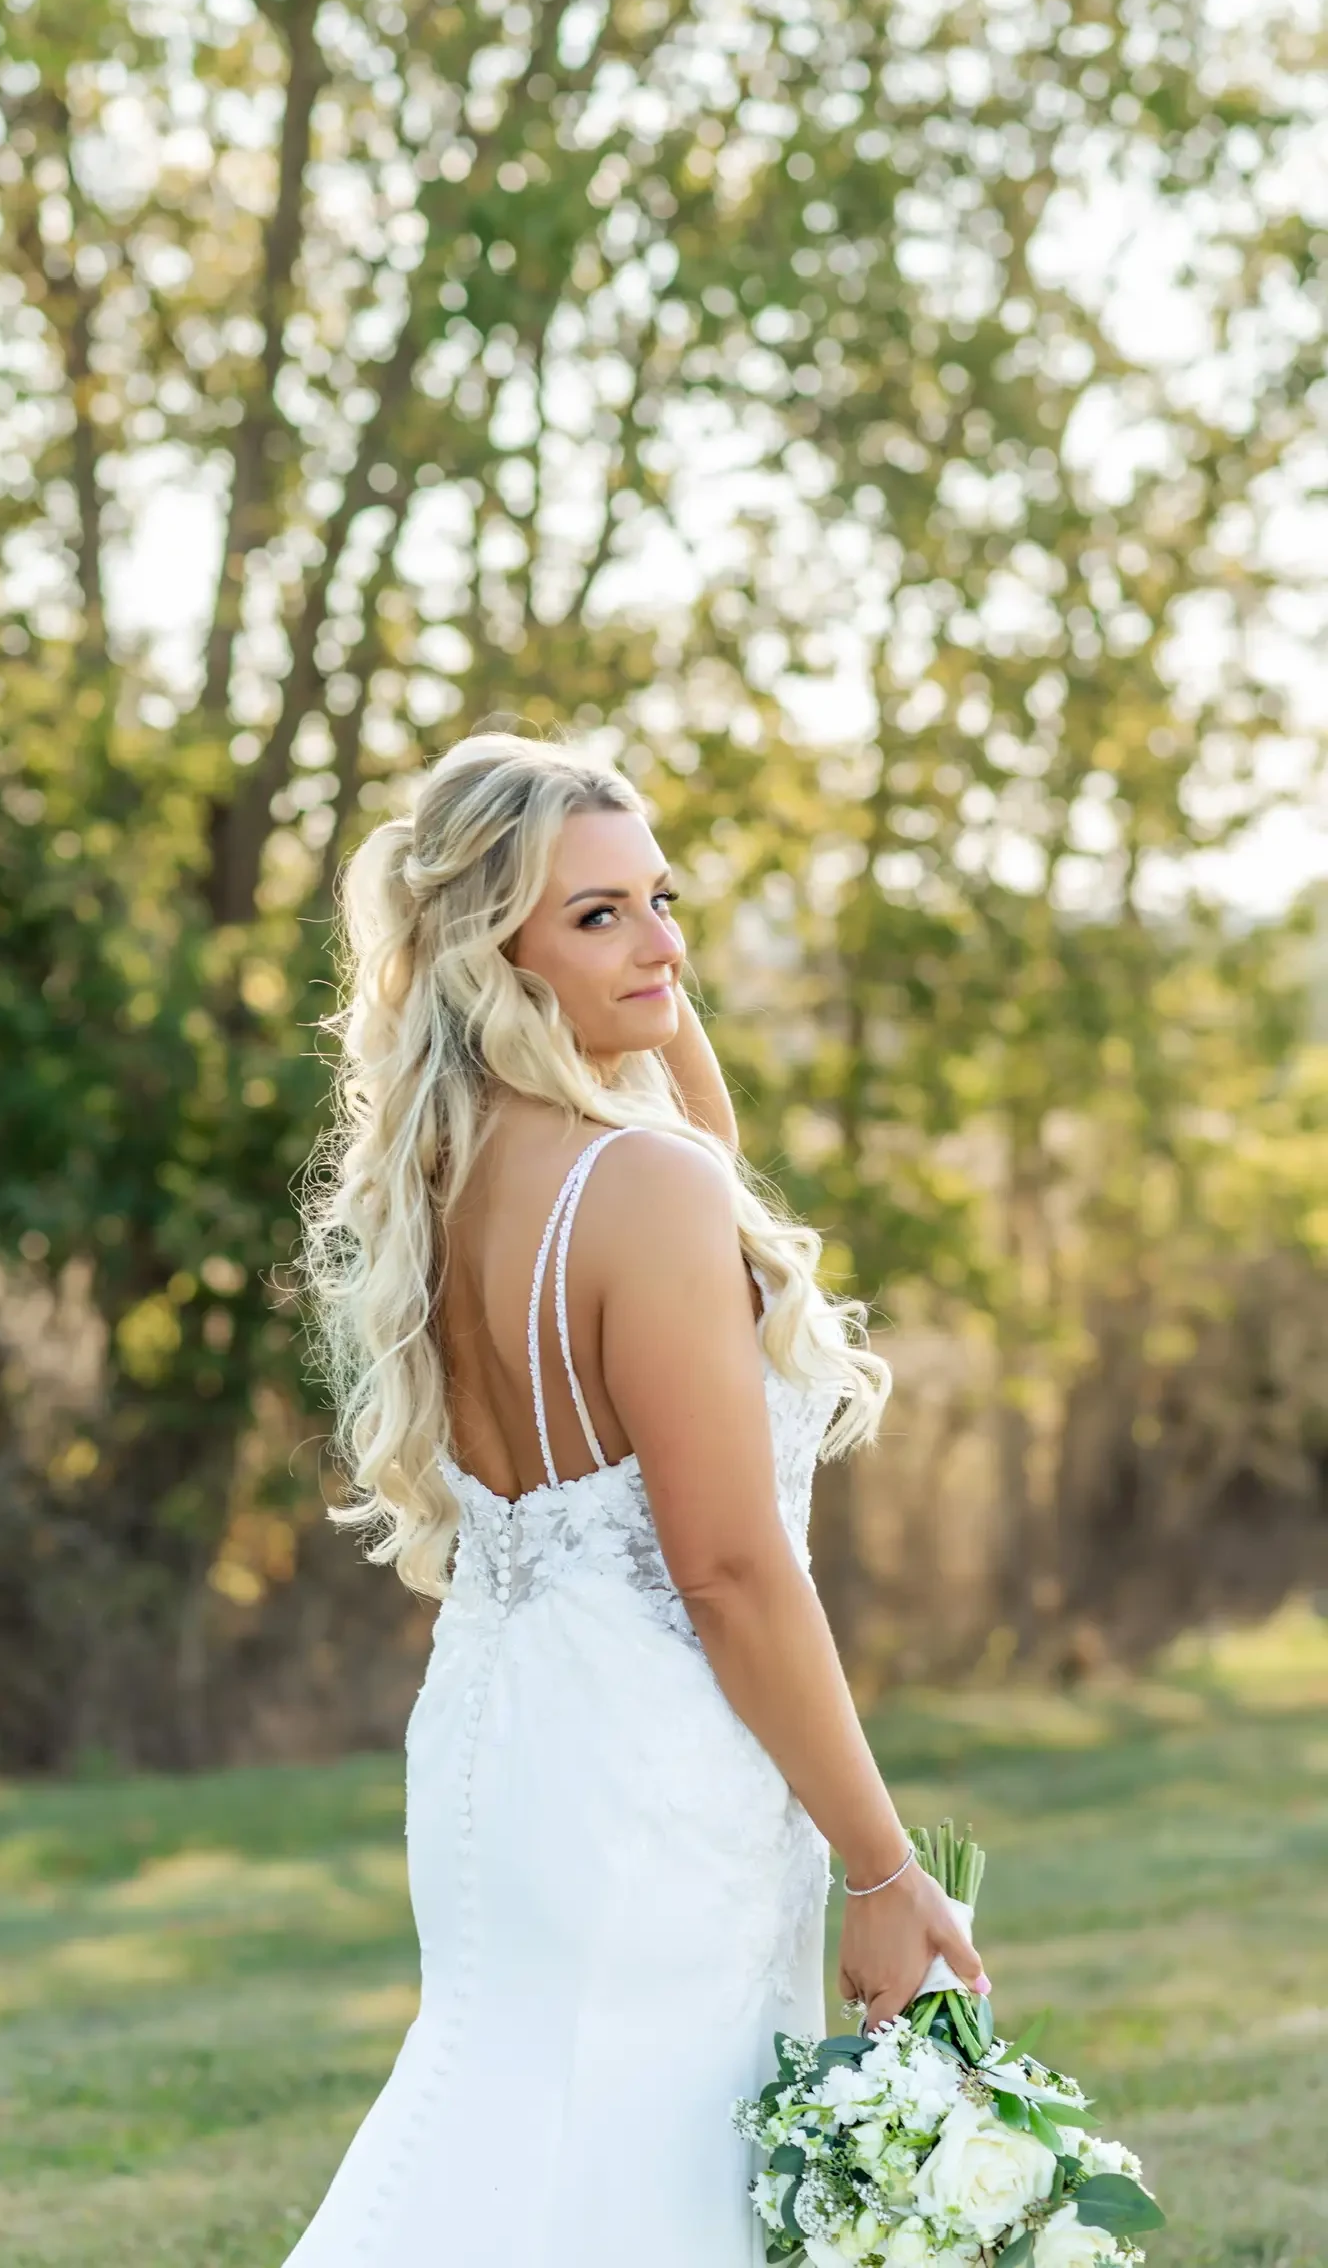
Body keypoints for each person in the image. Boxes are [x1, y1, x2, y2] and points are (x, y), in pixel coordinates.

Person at [286, 721, 986, 2268]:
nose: (662, 944)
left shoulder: (460, 1170)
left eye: (664, 901)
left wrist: (633, 973)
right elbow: (731, 1570)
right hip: (656, 1766)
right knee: (640, 2174)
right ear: (491, 950)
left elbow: (703, 1158)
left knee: (518, 2128)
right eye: (596, 915)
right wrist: (883, 1870)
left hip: (503, 1741)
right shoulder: (636, 1187)